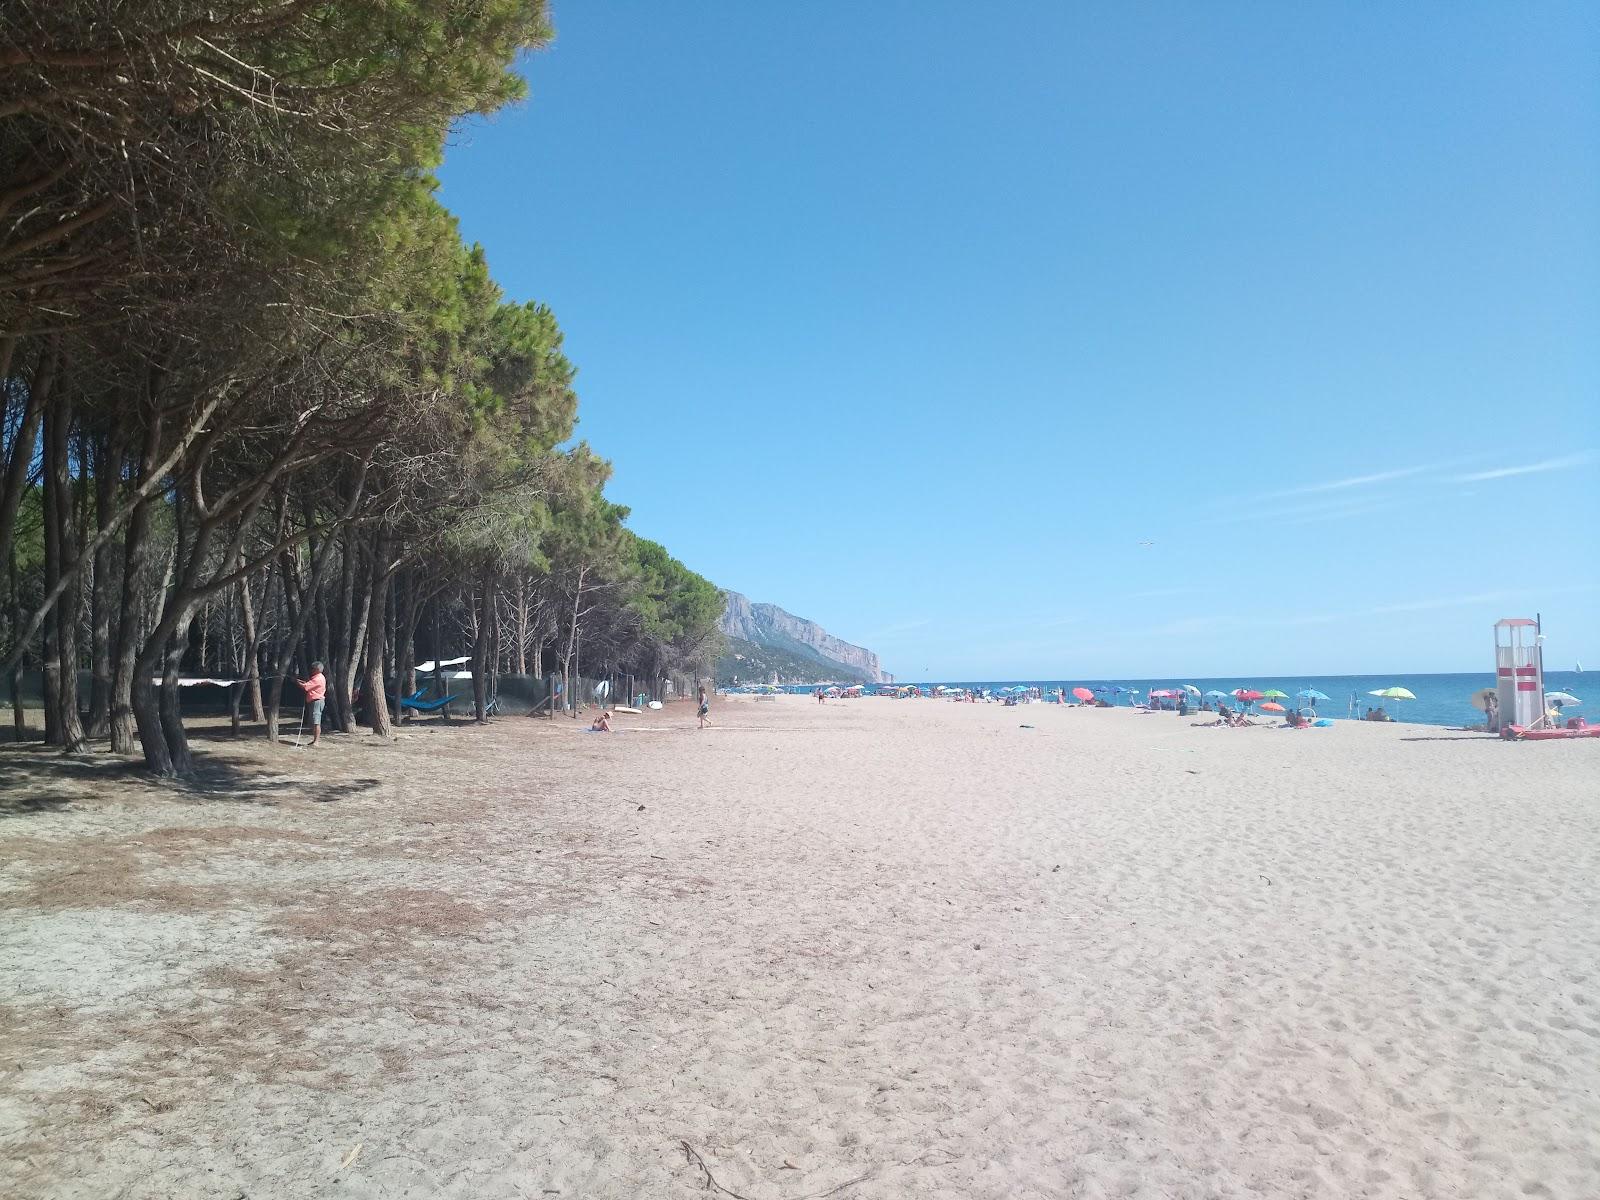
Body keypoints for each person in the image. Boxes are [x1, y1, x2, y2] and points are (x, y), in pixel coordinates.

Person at [296, 660, 327, 747]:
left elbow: (306, 687)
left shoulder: (318, 678)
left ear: (317, 669)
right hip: (316, 701)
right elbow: (310, 685)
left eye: (313, 668)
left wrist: (297, 682)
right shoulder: (318, 677)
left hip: (316, 701)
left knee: (316, 722)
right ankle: (314, 740)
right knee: (314, 722)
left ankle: (316, 742)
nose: (311, 670)